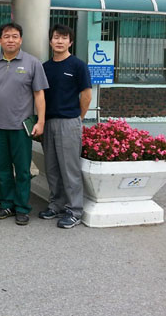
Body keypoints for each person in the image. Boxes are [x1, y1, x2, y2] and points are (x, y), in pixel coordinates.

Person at [0, 22, 48, 226]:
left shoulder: (32, 63)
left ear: (21, 39)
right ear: (0, 40)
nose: (11, 40)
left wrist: (41, 121)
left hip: (21, 127)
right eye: (7, 36)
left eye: (15, 36)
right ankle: (6, 204)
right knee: (1, 169)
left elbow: (39, 95)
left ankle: (22, 208)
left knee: (23, 170)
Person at [39, 24, 92, 228]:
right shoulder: (45, 67)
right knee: (52, 167)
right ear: (50, 41)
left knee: (70, 169)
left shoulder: (78, 65)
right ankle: (56, 205)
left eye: (64, 38)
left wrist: (78, 118)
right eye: (56, 37)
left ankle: (74, 210)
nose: (59, 41)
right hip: (49, 122)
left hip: (69, 122)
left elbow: (86, 95)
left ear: (70, 42)